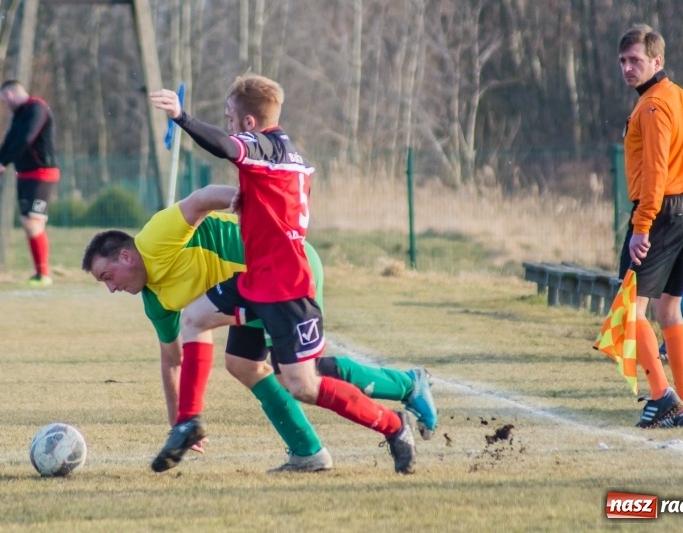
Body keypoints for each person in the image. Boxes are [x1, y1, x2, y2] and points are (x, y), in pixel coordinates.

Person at [148, 74, 418, 474]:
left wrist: (182, 117)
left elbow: (224, 147)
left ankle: (395, 427)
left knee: (303, 385)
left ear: (249, 124)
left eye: (230, 117)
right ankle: (188, 422)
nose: (227, 125)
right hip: (256, 279)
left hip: (287, 287)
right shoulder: (279, 152)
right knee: (194, 318)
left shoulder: (264, 146)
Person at [81, 185, 437, 473]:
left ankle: (406, 386)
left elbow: (201, 199)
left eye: (107, 277)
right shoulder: (154, 300)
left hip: (285, 270)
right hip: (249, 292)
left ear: (125, 257)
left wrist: (244, 200)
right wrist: (178, 425)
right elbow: (172, 360)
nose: (111, 288)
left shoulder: (155, 238)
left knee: (300, 378)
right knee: (244, 363)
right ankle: (308, 452)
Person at [617, 25, 683, 429]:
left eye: (635, 60)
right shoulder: (679, 95)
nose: (628, 68)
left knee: (628, 305)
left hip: (661, 209)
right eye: (623, 61)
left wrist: (641, 225)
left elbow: (655, 170)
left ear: (657, 61)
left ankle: (660, 395)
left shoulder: (652, 106)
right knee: (668, 308)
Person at [0, 80, 60, 286]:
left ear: (9, 95)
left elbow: (26, 139)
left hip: (43, 173)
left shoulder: (37, 108)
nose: (4, 105)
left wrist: (4, 164)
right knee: (30, 222)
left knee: (32, 221)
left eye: (3, 100)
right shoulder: (18, 115)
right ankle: (40, 273)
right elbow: (8, 143)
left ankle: (43, 274)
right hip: (25, 174)